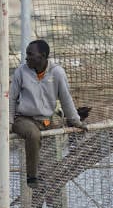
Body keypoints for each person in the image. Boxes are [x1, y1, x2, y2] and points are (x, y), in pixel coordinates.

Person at [9, 39, 86, 189]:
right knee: (33, 134)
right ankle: (32, 176)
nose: (26, 58)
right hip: (23, 119)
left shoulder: (57, 72)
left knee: (50, 168)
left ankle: (48, 186)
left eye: (30, 54)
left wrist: (76, 121)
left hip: (46, 121)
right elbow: (11, 98)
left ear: (42, 56)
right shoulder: (21, 71)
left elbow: (66, 98)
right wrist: (10, 123)